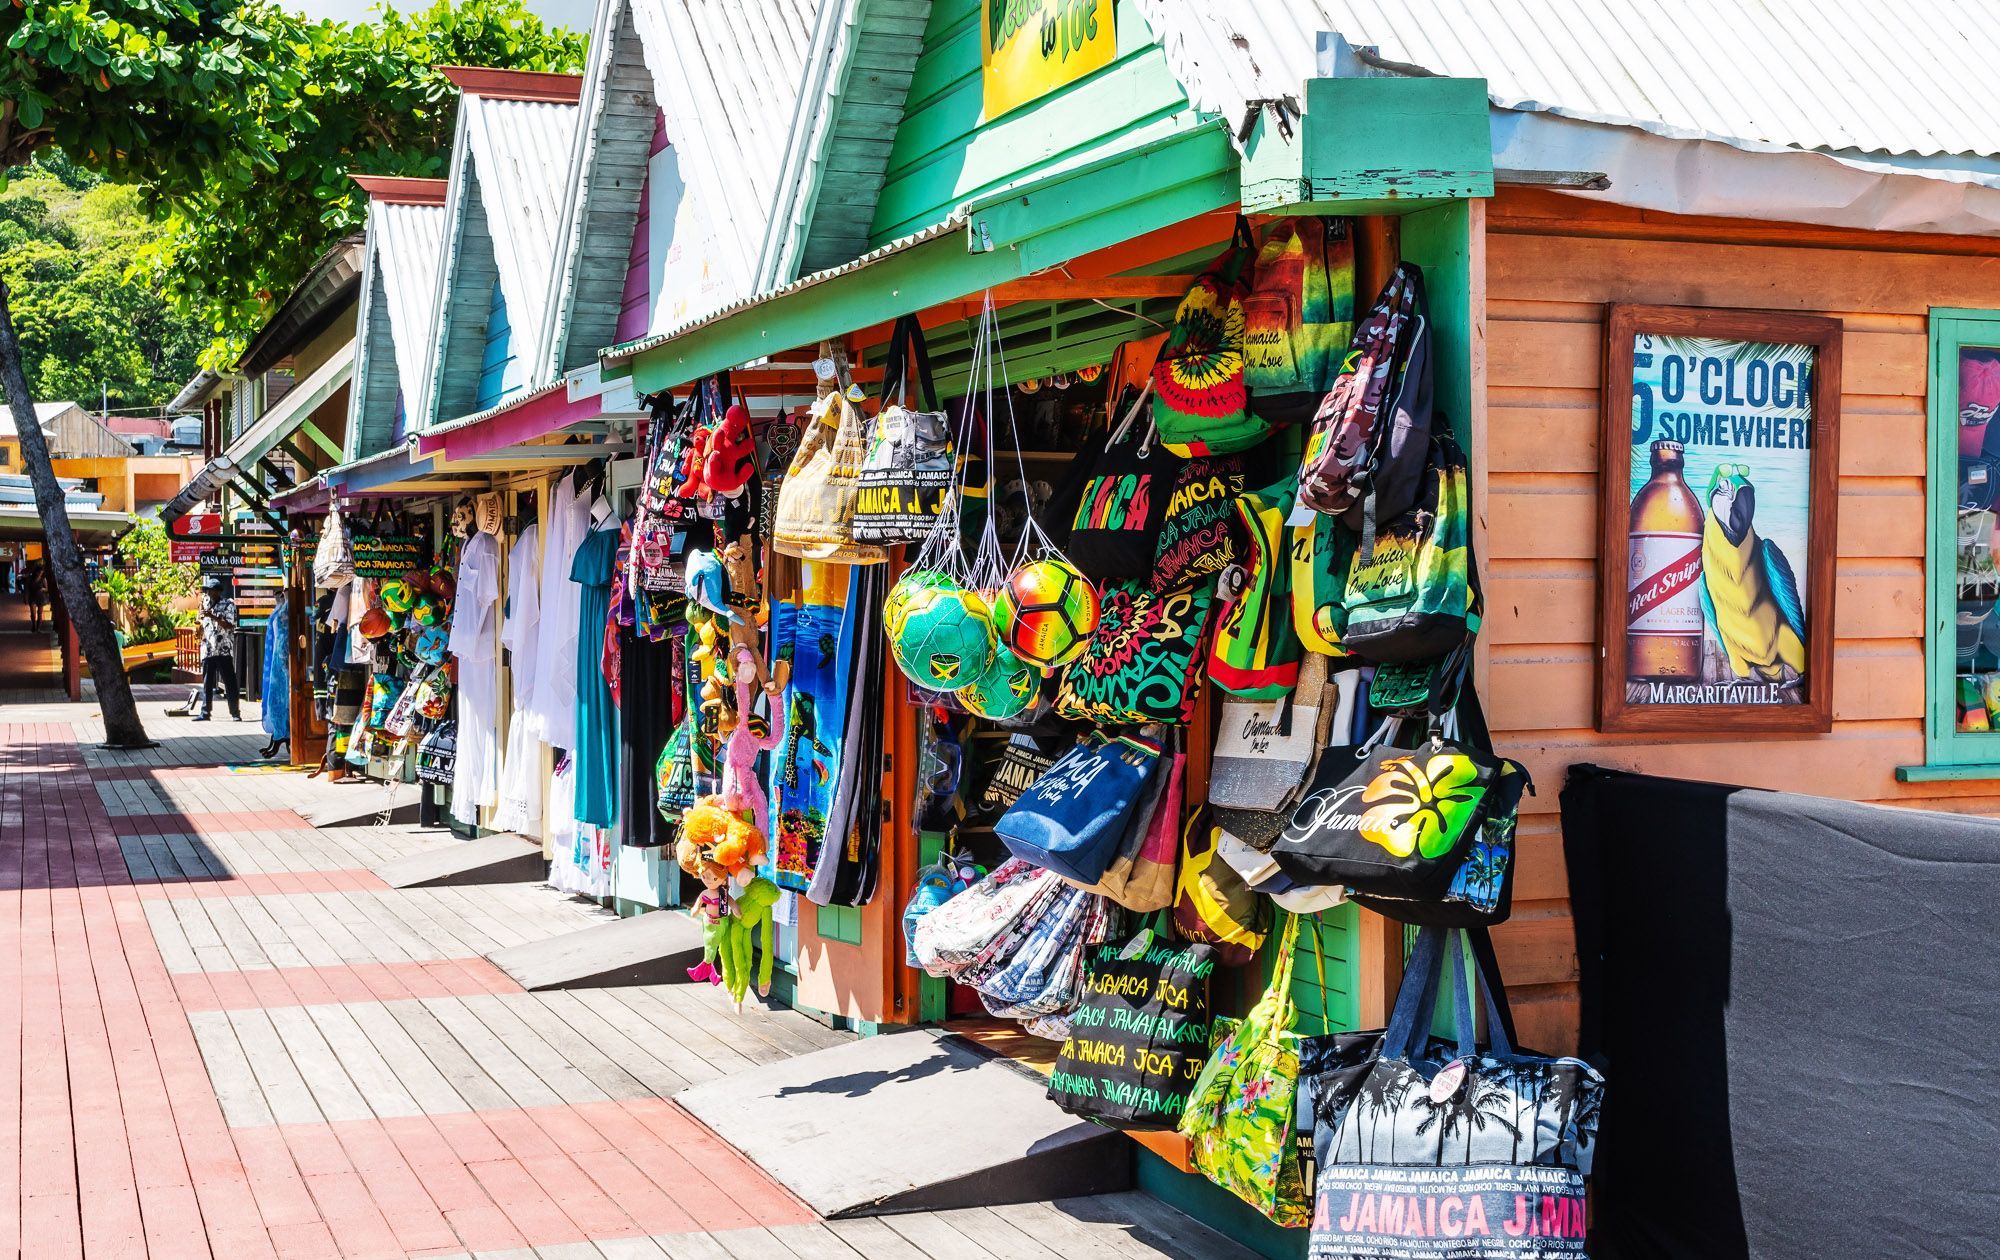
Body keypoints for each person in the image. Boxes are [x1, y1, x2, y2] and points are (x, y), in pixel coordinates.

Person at [192, 576, 241, 721]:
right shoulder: (205, 604)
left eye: (210, 590)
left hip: (223, 649)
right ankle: (205, 713)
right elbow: (202, 623)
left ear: (217, 591)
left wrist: (212, 616)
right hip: (208, 649)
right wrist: (199, 628)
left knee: (229, 682)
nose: (207, 593)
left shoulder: (228, 605)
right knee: (207, 683)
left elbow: (229, 625)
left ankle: (235, 713)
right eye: (206, 590)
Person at [21, 561, 46, 633]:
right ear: (36, 572)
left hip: (40, 597)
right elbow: (26, 589)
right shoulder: (30, 579)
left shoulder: (43, 579)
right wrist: (25, 598)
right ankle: (33, 626)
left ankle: (38, 628)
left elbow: (47, 588)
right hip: (32, 597)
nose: (40, 574)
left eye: (41, 573)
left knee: (40, 613)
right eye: (39, 573)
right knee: (33, 613)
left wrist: (43, 589)